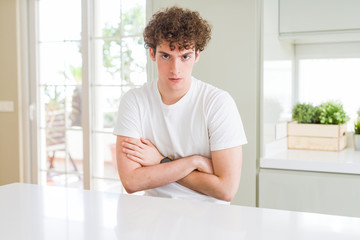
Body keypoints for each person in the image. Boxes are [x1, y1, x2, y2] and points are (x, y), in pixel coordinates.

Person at [113, 6, 247, 204]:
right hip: (153, 213)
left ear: (197, 55)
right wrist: (194, 162)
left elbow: (226, 189)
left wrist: (160, 161)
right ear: (152, 53)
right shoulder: (134, 101)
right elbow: (131, 182)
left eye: (185, 56)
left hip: (210, 219)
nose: (175, 69)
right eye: (166, 56)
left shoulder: (218, 103)